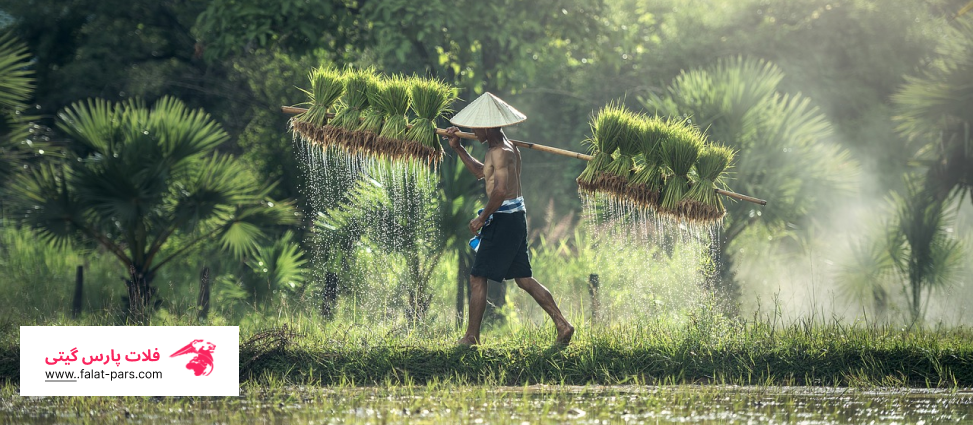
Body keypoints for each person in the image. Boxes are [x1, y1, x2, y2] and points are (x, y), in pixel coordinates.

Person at [443, 92, 574, 346]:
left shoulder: (502, 152)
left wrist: (482, 217)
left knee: (477, 276)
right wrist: (458, 148)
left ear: (487, 126)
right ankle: (563, 324)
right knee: (523, 278)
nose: (472, 130)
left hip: (504, 220)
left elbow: (501, 191)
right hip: (514, 218)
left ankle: (471, 337)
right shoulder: (503, 149)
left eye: (475, 126)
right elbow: (483, 173)